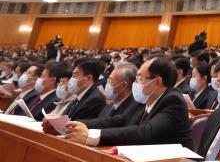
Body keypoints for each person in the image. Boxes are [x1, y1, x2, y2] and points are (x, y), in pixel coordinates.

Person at [62, 56, 192, 148]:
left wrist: (91, 136)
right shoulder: (143, 100)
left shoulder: (173, 101)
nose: (135, 83)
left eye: (140, 78)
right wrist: (73, 125)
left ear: (157, 82)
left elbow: (145, 132)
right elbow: (117, 121)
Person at [45, 58, 104, 123]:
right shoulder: (79, 95)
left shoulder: (94, 99)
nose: (71, 80)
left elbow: (76, 124)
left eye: (75, 76)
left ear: (88, 78)